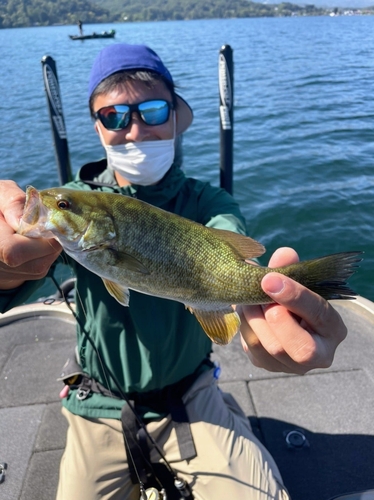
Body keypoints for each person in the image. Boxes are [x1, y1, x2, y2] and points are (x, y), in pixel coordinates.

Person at [0, 44, 348, 500]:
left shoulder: (210, 204)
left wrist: (266, 314)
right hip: (97, 401)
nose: (135, 129)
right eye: (115, 117)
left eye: (153, 109)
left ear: (177, 117)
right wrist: (5, 270)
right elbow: (17, 269)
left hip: (193, 393)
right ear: (98, 128)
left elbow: (231, 244)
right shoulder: (80, 204)